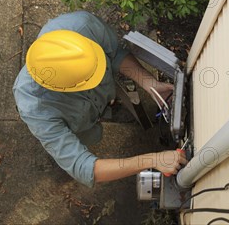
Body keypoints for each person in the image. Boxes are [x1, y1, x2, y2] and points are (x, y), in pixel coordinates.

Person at [13, 11, 187, 187]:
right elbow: (83, 167)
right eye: (88, 80)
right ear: (63, 88)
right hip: (85, 129)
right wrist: (152, 160)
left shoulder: (82, 24)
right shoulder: (35, 107)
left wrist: (151, 85)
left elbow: (115, 54)